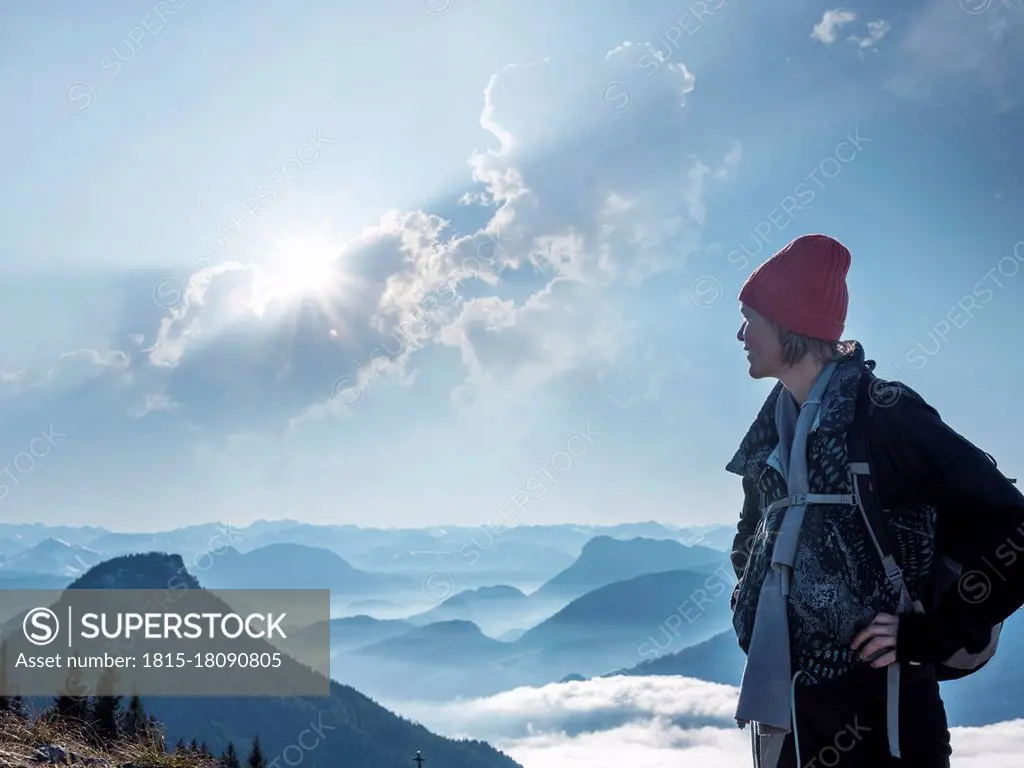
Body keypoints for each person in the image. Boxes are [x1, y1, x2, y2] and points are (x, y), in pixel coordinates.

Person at [726, 233, 1024, 767]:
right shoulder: (769, 435)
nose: (741, 333)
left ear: (790, 322)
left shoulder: (885, 417)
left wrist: (932, 632)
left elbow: (1016, 531)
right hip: (789, 717)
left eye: (752, 317)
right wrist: (746, 599)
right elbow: (750, 537)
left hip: (885, 725)